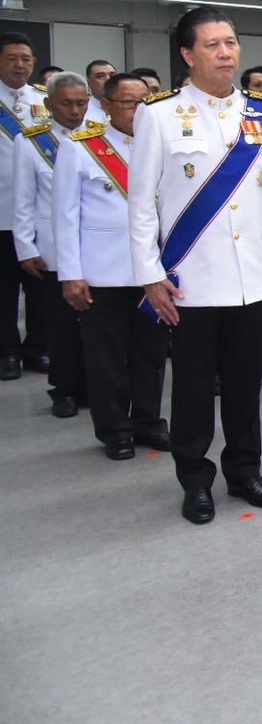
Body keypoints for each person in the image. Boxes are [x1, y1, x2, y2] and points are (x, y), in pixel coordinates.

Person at [130, 6, 262, 525]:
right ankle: (195, 480)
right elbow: (140, 205)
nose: (225, 53)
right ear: (187, 54)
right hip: (191, 281)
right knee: (195, 389)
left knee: (247, 385)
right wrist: (150, 274)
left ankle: (246, 472)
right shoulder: (158, 114)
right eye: (212, 45)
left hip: (250, 277)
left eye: (231, 43)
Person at [55, 72, 170, 457]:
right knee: (106, 356)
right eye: (128, 102)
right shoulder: (81, 148)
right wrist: (71, 274)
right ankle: (115, 429)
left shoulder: (163, 146)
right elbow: (65, 216)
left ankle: (149, 422)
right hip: (104, 271)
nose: (138, 110)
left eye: (145, 102)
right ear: (106, 106)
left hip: (153, 271)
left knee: (150, 353)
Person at [14, 72, 91, 417]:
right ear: (48, 104)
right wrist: (26, 248)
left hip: (94, 248)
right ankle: (63, 389)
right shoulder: (31, 142)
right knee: (60, 326)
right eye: (66, 103)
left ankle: (91, 385)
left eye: (81, 103)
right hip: (53, 249)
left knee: (94, 326)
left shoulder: (98, 140)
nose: (75, 111)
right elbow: (22, 200)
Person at [0, 31, 50, 382]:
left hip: (39, 213)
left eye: (26, 59)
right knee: (4, 291)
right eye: (12, 58)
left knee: (41, 290)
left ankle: (37, 348)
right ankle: (7, 352)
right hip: (1, 213)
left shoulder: (46, 100)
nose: (20, 65)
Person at [84, 59, 116, 125]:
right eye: (100, 76)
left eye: (112, 75)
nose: (108, 79)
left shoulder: (129, 107)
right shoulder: (82, 110)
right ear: (89, 83)